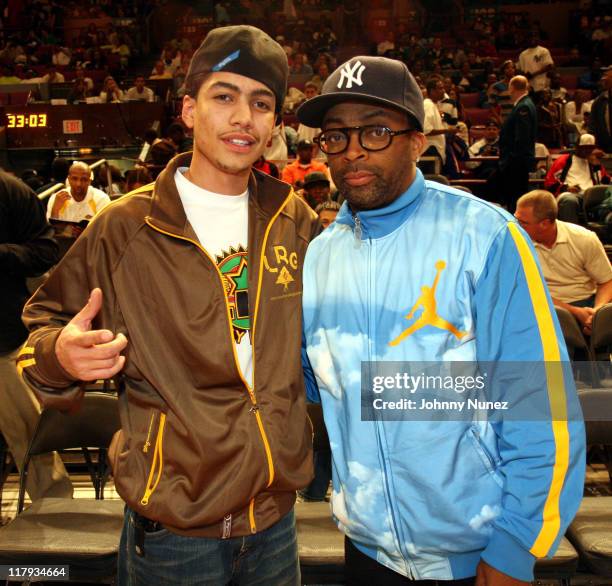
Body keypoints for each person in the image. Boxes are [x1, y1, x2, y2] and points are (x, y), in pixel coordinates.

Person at [19, 25, 319, 585]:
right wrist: (61, 356)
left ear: (275, 123)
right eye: (224, 96)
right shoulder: (124, 226)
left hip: (277, 520)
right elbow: (36, 336)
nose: (242, 118)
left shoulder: (294, 218)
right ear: (188, 109)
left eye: (261, 103)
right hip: (175, 530)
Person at [297, 55, 585, 585]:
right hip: (366, 548)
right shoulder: (321, 255)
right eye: (335, 136)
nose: (353, 149)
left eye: (376, 131)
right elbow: (319, 386)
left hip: (476, 554)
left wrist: (515, 548)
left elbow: (540, 403)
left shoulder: (484, 236)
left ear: (416, 138)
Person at [0, 171, 73, 503]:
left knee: (30, 440)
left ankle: (59, 517)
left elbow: (45, 251)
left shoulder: (9, 190)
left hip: (4, 339)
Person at [515, 190, 612, 334]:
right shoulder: (515, 242)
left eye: (522, 223)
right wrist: (574, 312)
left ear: (544, 224)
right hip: (542, 304)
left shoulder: (584, 238)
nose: (516, 226)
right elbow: (523, 291)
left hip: (586, 301)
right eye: (515, 219)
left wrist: (596, 313)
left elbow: (607, 281)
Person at [491, 75, 537, 212]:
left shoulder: (523, 107)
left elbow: (521, 139)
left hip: (516, 163)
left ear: (511, 88)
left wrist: (511, 160)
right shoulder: (526, 104)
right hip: (517, 162)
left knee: (516, 200)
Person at [544, 134, 610, 223]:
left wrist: (596, 166)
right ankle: (572, 233)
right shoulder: (565, 160)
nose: (587, 150)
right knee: (570, 200)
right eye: (584, 147)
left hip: (591, 195)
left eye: (590, 147)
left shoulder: (593, 162)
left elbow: (605, 182)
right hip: (571, 194)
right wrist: (566, 188)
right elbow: (550, 183)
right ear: (577, 147)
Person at [589, 66, 612, 152]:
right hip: (606, 148)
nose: (603, 78)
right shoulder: (599, 101)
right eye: (603, 75)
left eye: (607, 76)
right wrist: (594, 147)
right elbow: (592, 127)